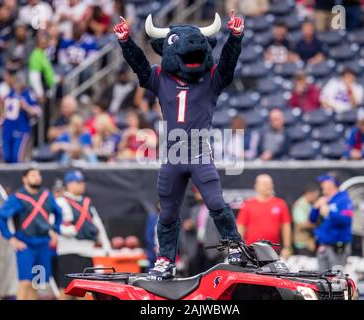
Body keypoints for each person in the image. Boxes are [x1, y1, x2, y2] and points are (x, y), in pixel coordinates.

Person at [113, 10, 245, 279]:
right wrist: (126, 42)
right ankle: (165, 260)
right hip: (172, 154)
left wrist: (235, 37)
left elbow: (228, 65)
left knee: (216, 202)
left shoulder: (211, 78)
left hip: (198, 151)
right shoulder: (161, 76)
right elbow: (139, 65)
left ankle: (235, 246)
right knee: (169, 212)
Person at [0, 168, 62, 300]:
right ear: (25, 179)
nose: (37, 177)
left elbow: (58, 213)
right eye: (33, 175)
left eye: (38, 175)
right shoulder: (18, 197)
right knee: (25, 282)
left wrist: (55, 230)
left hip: (43, 244)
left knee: (37, 283)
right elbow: (0, 217)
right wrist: (10, 238)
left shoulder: (46, 195)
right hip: (25, 244)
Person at [54, 170, 110, 299]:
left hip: (86, 252)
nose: (82, 185)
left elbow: (98, 225)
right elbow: (56, 224)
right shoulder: (61, 202)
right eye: (78, 182)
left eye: (82, 182)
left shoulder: (87, 203)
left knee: (85, 291)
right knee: (67, 291)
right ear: (69, 184)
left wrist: (106, 244)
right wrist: (71, 231)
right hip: (68, 252)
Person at [237, 174, 292, 259]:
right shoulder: (248, 205)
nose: (269, 186)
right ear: (257, 186)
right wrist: (239, 248)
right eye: (265, 184)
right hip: (251, 250)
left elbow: (286, 227)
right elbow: (240, 228)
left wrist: (287, 247)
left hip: (273, 251)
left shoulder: (280, 203)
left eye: (270, 183)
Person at [310, 173, 354, 271]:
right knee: (322, 278)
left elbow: (346, 220)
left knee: (336, 278)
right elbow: (312, 219)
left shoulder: (344, 199)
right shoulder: (324, 199)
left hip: (337, 247)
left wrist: (329, 212)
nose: (322, 185)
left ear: (332, 183)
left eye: (324, 182)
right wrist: (315, 208)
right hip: (323, 245)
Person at [180, 187, 224, 276]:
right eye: (196, 193)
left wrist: (221, 247)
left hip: (213, 248)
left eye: (199, 193)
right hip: (197, 247)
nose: (197, 196)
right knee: (196, 274)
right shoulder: (195, 209)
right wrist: (190, 225)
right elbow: (196, 226)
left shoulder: (218, 209)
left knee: (211, 275)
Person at [1, 72, 42, 163]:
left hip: (21, 129)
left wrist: (25, 106)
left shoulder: (28, 94)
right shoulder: (9, 94)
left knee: (17, 157)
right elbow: (3, 110)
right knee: (6, 157)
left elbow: (38, 112)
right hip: (8, 129)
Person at [29, 31, 56, 106]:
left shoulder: (43, 54)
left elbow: (47, 73)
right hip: (41, 91)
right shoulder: (36, 55)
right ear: (38, 42)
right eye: (44, 41)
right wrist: (40, 94)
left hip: (47, 89)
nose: (46, 43)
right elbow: (34, 77)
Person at [292, 184, 319, 256]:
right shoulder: (300, 205)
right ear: (309, 193)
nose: (316, 198)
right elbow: (301, 225)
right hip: (303, 244)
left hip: (310, 242)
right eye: (315, 195)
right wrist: (319, 225)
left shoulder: (309, 204)